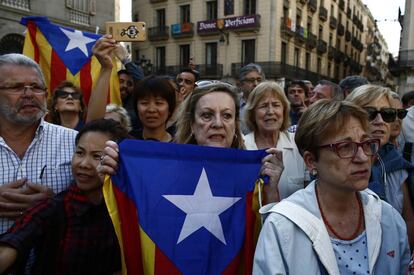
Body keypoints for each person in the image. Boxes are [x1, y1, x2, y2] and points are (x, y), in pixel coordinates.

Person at [253, 99, 410, 274]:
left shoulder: (389, 219)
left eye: (366, 144)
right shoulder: (283, 226)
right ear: (311, 161)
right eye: (345, 147)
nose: (363, 157)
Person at [100, 82, 284, 205]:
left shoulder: (255, 173)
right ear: (192, 126)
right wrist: (116, 174)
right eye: (207, 115)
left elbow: (268, 233)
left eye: (227, 115)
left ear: (235, 126)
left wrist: (271, 189)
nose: (218, 123)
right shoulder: (163, 170)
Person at [0, 119, 127, 274]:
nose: (84, 164)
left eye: (97, 156)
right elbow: (14, 241)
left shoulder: (131, 212)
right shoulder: (54, 207)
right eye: (80, 153)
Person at [0, 53, 77, 234]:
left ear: (46, 94)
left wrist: (55, 205)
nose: (28, 94)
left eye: (36, 87)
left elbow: (96, 205)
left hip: (54, 260)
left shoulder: (75, 142)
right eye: (16, 87)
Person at [346, 84, 414, 248]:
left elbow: (408, 220)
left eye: (388, 114)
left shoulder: (395, 164)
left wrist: (400, 260)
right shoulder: (337, 163)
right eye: (370, 113)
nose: (380, 121)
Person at [243, 81, 306, 199]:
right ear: (252, 113)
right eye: (263, 106)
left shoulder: (299, 144)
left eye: (276, 105)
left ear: (284, 110)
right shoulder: (242, 147)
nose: (270, 112)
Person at [129, 75, 176, 141]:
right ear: (136, 108)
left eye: (158, 103)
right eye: (144, 103)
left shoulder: (181, 145)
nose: (151, 110)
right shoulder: (126, 143)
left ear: (169, 109)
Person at [238, 63, 265, 134]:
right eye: (251, 80)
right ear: (241, 84)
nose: (256, 84)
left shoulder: (269, 104)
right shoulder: (234, 104)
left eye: (259, 80)